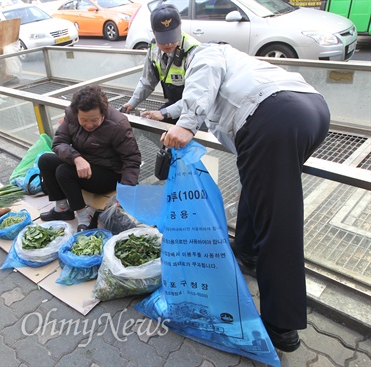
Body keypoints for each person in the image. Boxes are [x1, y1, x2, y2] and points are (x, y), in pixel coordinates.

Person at [158, 5, 330, 353]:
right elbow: (200, 94)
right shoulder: (242, 64)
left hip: (271, 117)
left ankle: (281, 325)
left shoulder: (207, 53)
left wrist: (186, 125)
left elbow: (201, 84)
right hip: (310, 110)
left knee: (278, 221)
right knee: (259, 189)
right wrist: (164, 113)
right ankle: (247, 251)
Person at [38, 85, 141, 232]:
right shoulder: (71, 115)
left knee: (63, 171)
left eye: (94, 120)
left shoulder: (117, 124)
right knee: (45, 160)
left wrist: (126, 190)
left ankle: (83, 218)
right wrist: (77, 158)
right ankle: (62, 209)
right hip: (83, 163)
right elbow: (59, 142)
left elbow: (132, 159)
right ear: (76, 113)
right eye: (83, 120)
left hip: (108, 173)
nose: (89, 125)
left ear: (103, 112)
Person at [122, 4, 200, 125]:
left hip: (196, 109)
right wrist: (132, 103)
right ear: (154, 33)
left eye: (172, 37)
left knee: (188, 140)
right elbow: (147, 81)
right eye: (163, 39)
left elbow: (195, 98)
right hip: (174, 103)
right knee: (152, 125)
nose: (168, 44)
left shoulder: (193, 51)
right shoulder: (153, 49)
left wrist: (163, 113)